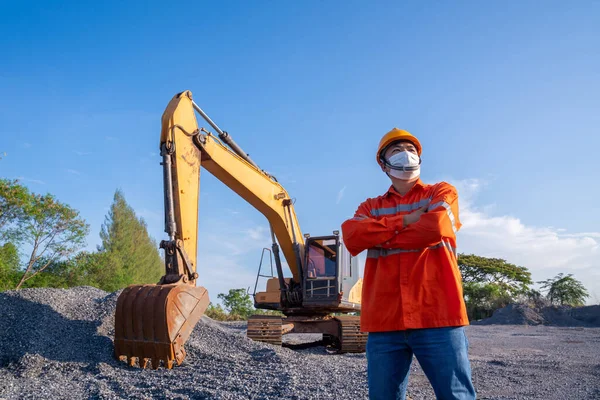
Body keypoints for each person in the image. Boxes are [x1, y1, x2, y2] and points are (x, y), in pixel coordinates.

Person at [341, 128, 476, 400]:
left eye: (411, 150)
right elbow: (353, 236)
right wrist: (406, 220)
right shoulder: (370, 206)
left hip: (438, 316)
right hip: (385, 322)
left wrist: (382, 234)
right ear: (383, 163)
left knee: (456, 396)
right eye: (396, 150)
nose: (406, 154)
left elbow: (436, 227)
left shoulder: (441, 192)